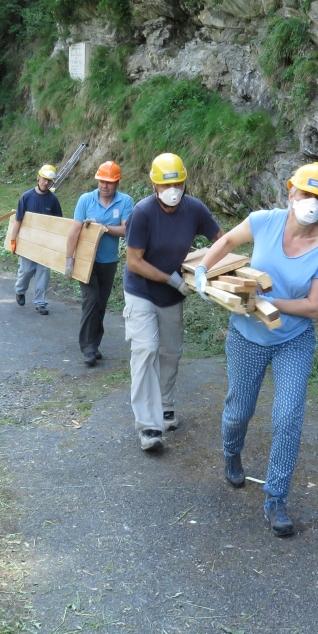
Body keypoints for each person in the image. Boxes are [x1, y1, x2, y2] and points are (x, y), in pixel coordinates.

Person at [195, 161, 318, 537]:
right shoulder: (264, 221)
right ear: (291, 191)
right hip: (246, 335)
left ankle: (276, 498)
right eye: (305, 193)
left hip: (294, 340)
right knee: (238, 411)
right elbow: (227, 241)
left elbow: (314, 307)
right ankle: (231, 452)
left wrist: (269, 299)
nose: (311, 202)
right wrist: (203, 270)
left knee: (288, 418)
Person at [124, 152, 225, 451]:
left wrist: (211, 274)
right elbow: (134, 262)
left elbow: (222, 239)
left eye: (178, 183)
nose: (173, 190)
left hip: (173, 296)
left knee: (171, 352)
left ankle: (165, 406)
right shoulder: (142, 213)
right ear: (154, 185)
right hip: (141, 291)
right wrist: (171, 279)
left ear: (184, 182)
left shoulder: (194, 209)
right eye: (166, 185)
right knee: (146, 351)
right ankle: (149, 427)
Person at [65, 161, 133, 367]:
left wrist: (102, 227)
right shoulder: (85, 200)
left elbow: (126, 230)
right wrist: (69, 260)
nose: (105, 186)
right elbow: (74, 231)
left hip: (109, 261)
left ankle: (94, 344)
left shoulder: (125, 202)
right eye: (102, 181)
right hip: (86, 261)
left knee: (101, 305)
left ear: (117, 183)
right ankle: (87, 348)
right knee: (91, 300)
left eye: (110, 182)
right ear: (97, 180)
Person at [11, 164, 63, 316]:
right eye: (44, 179)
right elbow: (18, 219)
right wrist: (13, 240)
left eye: (49, 181)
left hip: (45, 244)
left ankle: (40, 303)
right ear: (38, 177)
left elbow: (58, 223)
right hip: (27, 242)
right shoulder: (26, 197)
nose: (45, 183)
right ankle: (20, 291)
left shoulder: (53, 200)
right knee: (26, 270)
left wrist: (56, 244)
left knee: (43, 272)